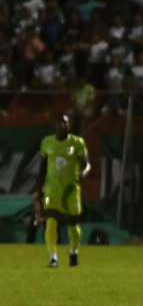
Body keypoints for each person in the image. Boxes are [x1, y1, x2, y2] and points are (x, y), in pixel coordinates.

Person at [32, 114, 90, 267]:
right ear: (54, 126)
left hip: (71, 188)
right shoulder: (47, 142)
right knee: (51, 219)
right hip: (53, 188)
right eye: (59, 123)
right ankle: (53, 258)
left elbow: (86, 164)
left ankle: (74, 251)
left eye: (65, 123)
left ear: (69, 125)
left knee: (73, 223)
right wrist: (39, 189)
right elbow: (42, 167)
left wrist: (84, 172)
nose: (62, 126)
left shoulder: (77, 143)